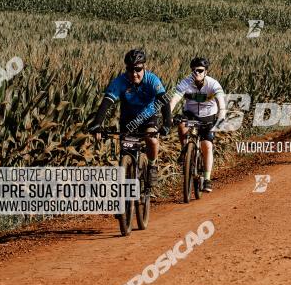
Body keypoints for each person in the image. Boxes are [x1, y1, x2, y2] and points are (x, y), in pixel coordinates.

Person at [88, 49, 171, 188]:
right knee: (125, 151)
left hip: (148, 116)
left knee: (152, 139)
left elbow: (164, 100)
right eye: (130, 70)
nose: (134, 74)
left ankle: (151, 166)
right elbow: (106, 103)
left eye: (138, 69)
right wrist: (97, 123)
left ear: (144, 67)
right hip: (128, 118)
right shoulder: (120, 81)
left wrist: (168, 122)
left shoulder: (152, 79)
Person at [169, 56, 226, 193]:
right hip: (191, 114)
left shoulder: (213, 84)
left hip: (208, 116)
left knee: (207, 145)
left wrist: (222, 116)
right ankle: (184, 152)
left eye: (200, 70)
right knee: (182, 126)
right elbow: (174, 100)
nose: (197, 73)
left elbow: (221, 103)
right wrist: (168, 115)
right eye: (194, 71)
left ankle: (207, 179)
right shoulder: (186, 82)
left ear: (206, 71)